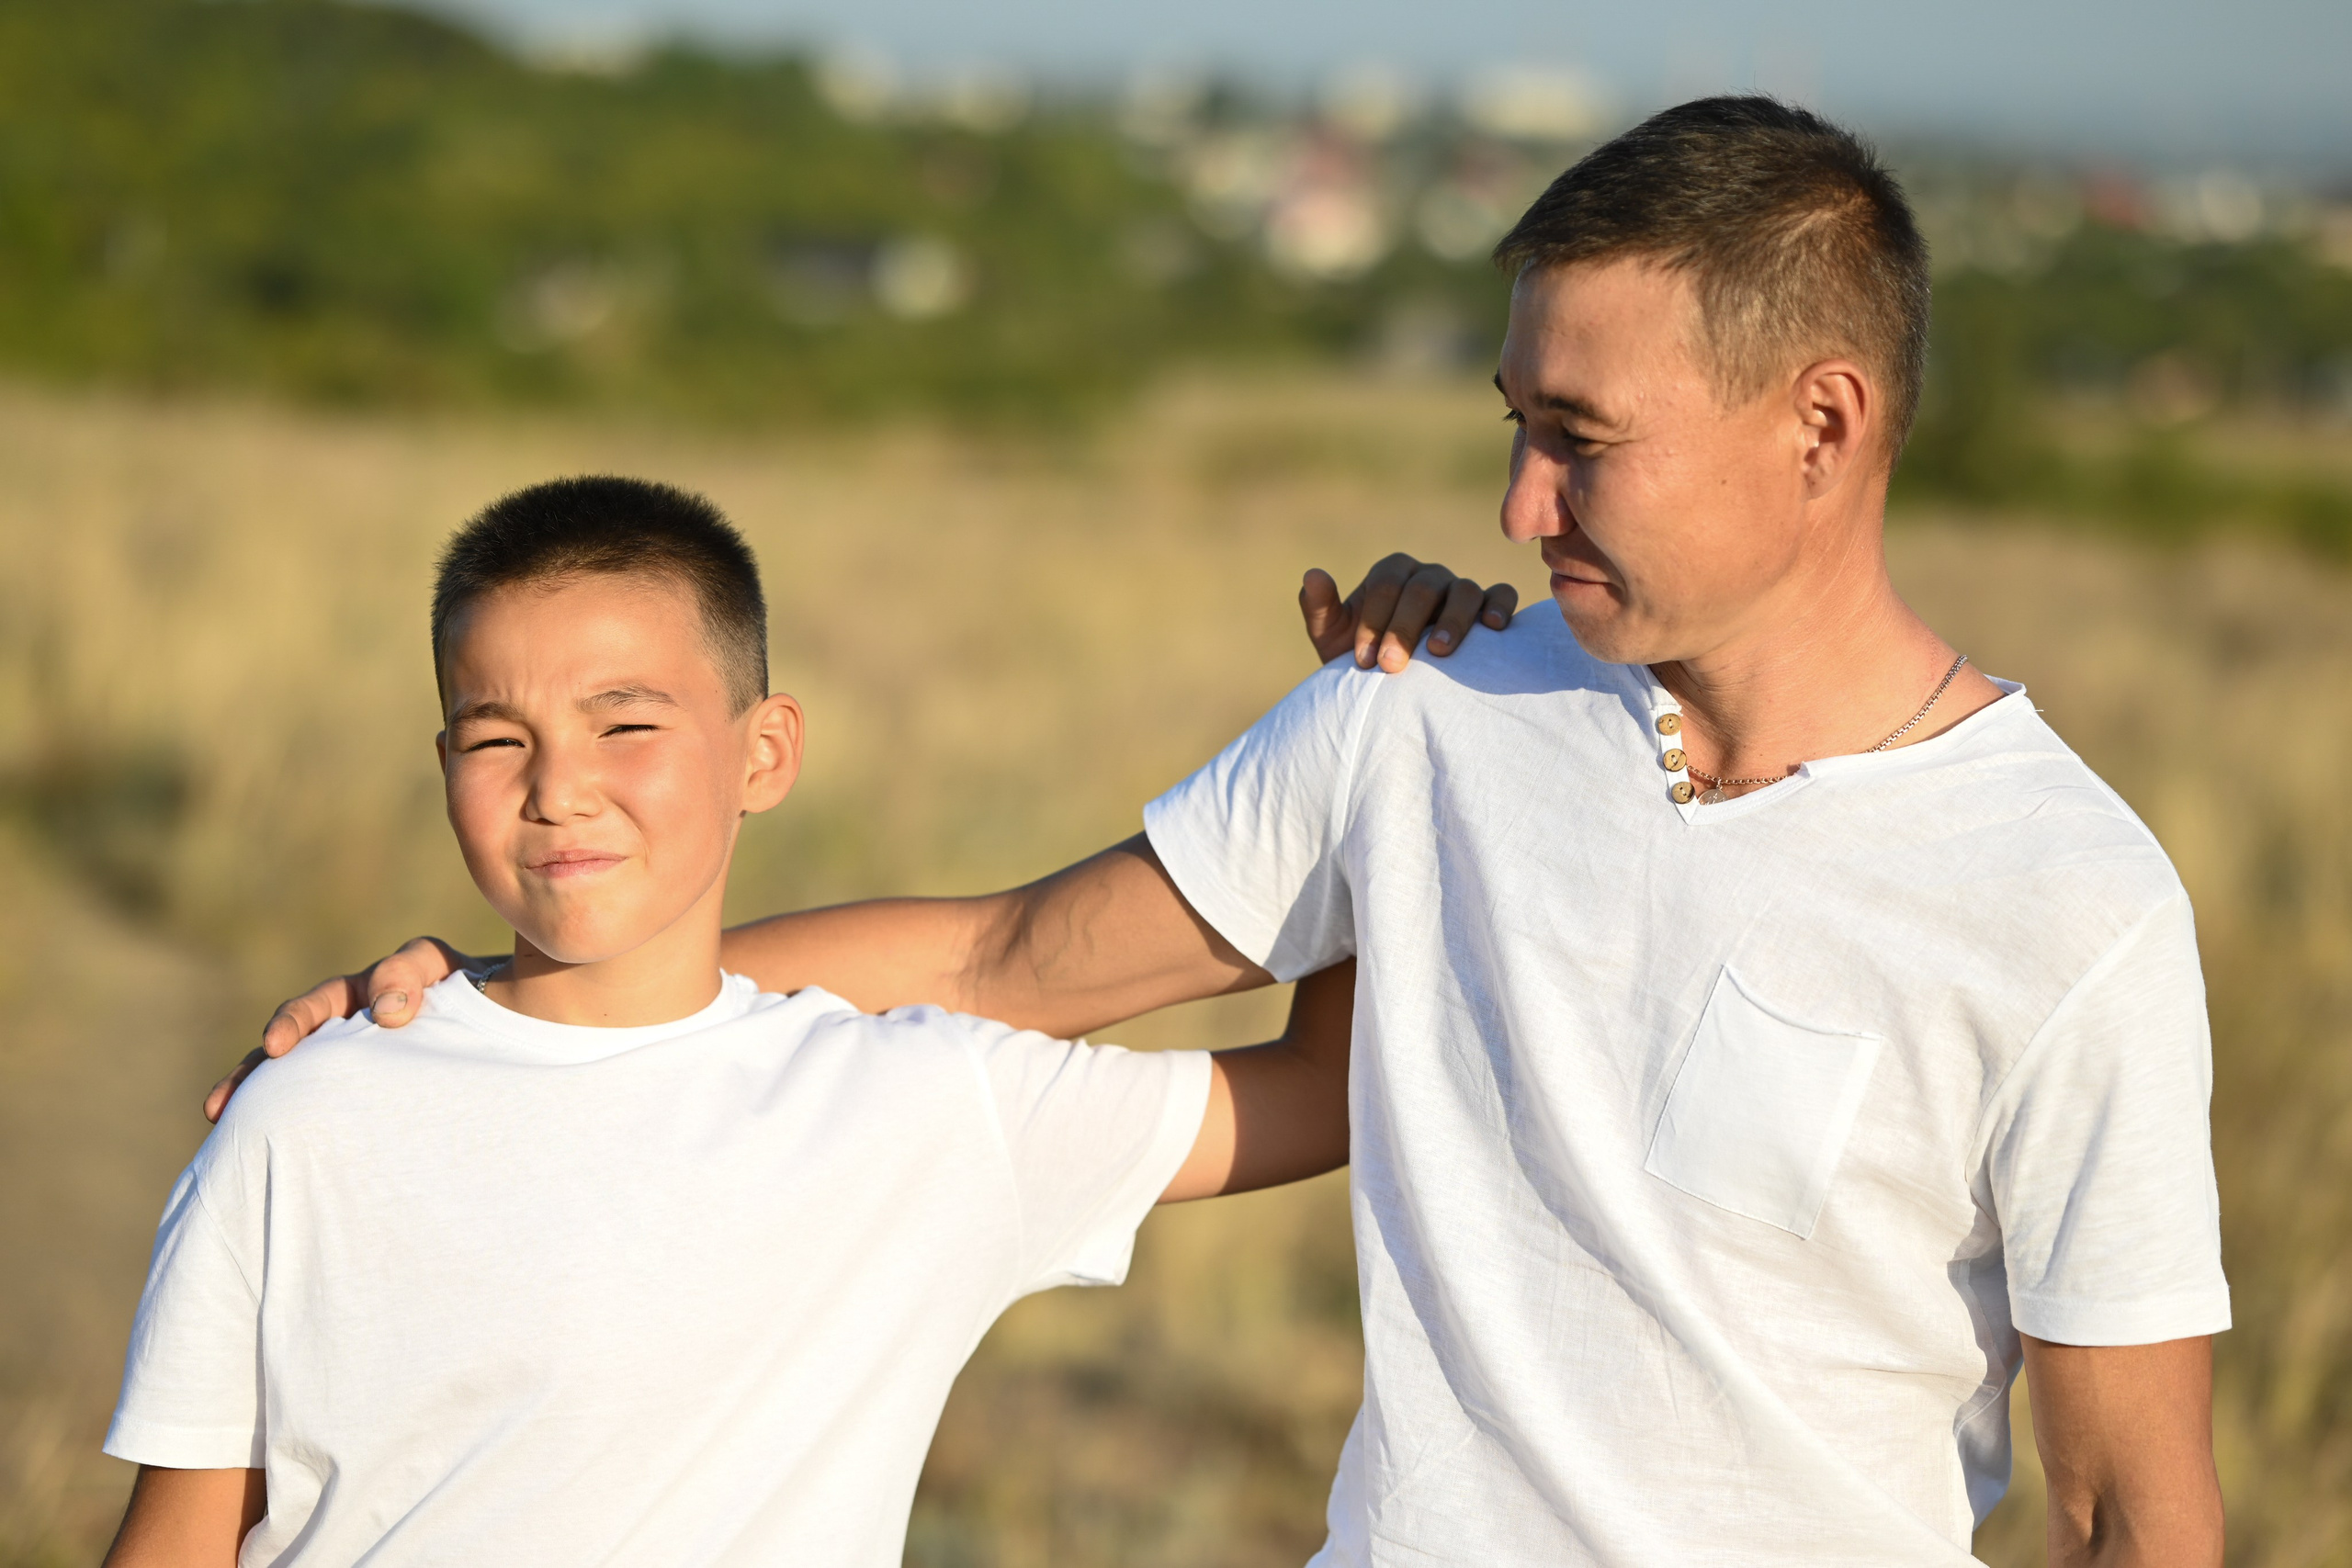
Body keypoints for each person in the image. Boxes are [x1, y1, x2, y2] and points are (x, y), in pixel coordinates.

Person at [240, 99, 2230, 1565]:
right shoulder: (1426, 707)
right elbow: (1005, 965)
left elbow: (2125, 1500)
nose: (1520, 505)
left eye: (1578, 437)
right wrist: (525, 1001)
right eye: (1512, 422)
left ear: (1818, 422)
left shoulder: (2064, 902)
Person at [102, 477, 1372, 1566]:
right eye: (498, 739)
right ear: (444, 768)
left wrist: (1382, 724)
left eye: (627, 726)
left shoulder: (920, 1110)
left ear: (764, 754)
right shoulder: (313, 1109)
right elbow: (181, 1534)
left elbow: (1324, 1089)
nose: (559, 789)